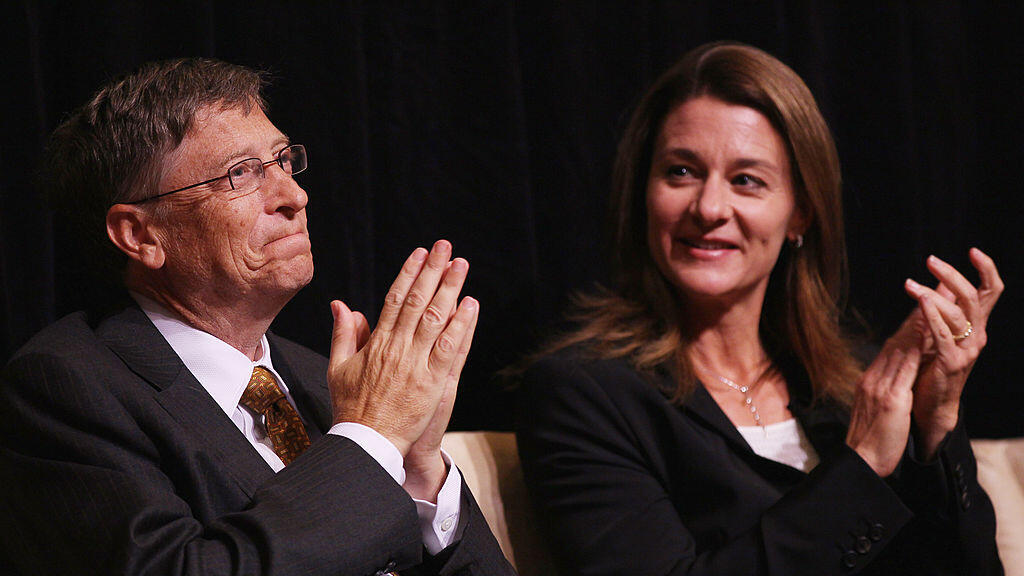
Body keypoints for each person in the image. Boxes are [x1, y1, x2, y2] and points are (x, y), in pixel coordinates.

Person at [0, 58, 515, 576]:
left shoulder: (326, 382)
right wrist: (370, 439)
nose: (295, 196)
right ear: (141, 235)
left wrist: (419, 472)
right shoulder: (65, 389)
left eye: (283, 161)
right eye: (241, 173)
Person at [516, 42, 1004, 575]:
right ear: (643, 195)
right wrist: (860, 465)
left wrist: (936, 424)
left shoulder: (859, 383)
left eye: (746, 180)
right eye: (681, 171)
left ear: (800, 215)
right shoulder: (582, 394)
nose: (708, 207)